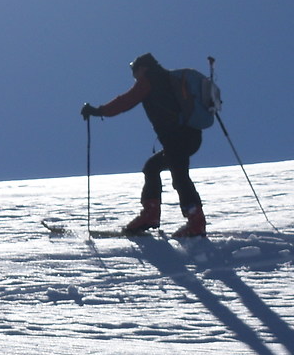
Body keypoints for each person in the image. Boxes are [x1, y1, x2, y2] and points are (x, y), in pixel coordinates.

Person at [81, 52, 209, 239]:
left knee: (180, 176)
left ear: (143, 68)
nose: (134, 76)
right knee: (152, 167)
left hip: (178, 137)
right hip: (190, 136)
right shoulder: (168, 79)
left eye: (135, 71)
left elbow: (125, 101)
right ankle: (152, 216)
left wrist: (97, 110)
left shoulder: (151, 79)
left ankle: (195, 222)